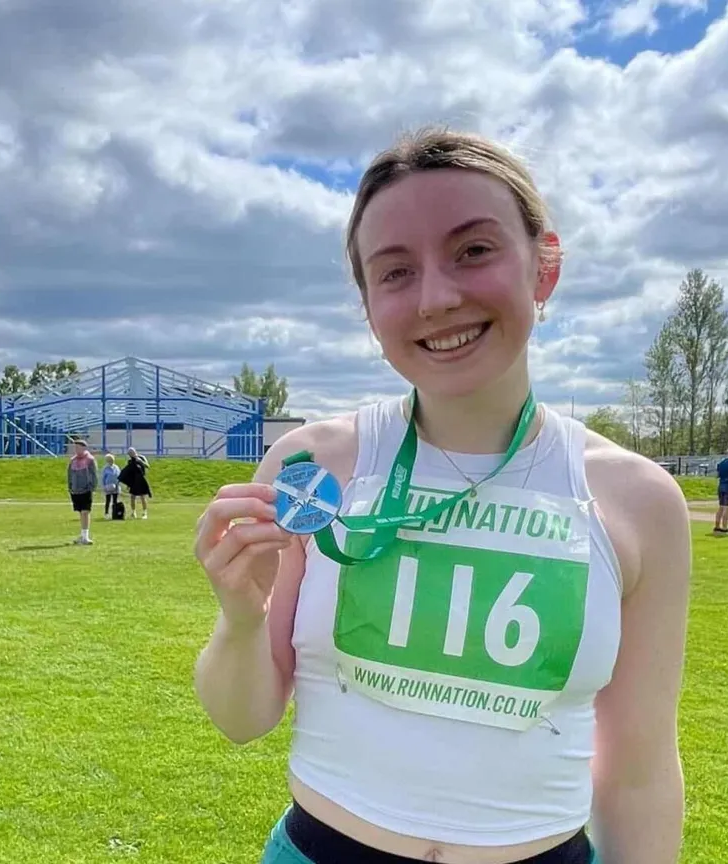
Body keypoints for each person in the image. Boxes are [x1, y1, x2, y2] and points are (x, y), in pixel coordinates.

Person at [192, 128, 691, 864]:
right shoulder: (311, 468)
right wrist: (240, 619)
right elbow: (241, 720)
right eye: (394, 273)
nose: (436, 298)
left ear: (543, 267)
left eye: (473, 251)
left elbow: (640, 774)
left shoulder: (638, 500)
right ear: (368, 306)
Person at [67, 439, 100, 545]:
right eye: (75, 447)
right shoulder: (73, 460)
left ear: (84, 448)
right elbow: (69, 475)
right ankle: (82, 535)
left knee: (85, 512)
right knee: (81, 512)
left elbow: (94, 475)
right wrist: (70, 486)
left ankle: (85, 537)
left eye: (78, 447)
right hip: (76, 490)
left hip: (86, 489)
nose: (76, 449)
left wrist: (92, 487)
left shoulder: (90, 460)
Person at [119, 447, 151, 519]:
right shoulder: (130, 461)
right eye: (129, 453)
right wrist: (128, 484)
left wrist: (140, 461)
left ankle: (144, 512)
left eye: (132, 453)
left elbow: (147, 466)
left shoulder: (141, 457)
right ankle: (133, 512)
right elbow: (129, 472)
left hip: (141, 480)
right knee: (132, 497)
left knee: (142, 497)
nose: (131, 455)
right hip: (133, 480)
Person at [101, 453, 122, 519]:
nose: (111, 461)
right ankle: (106, 513)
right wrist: (104, 486)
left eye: (112, 459)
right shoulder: (105, 468)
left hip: (116, 486)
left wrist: (118, 484)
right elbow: (103, 478)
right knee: (108, 500)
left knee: (115, 501)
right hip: (108, 486)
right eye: (110, 460)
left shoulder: (116, 467)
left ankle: (114, 513)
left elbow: (119, 476)